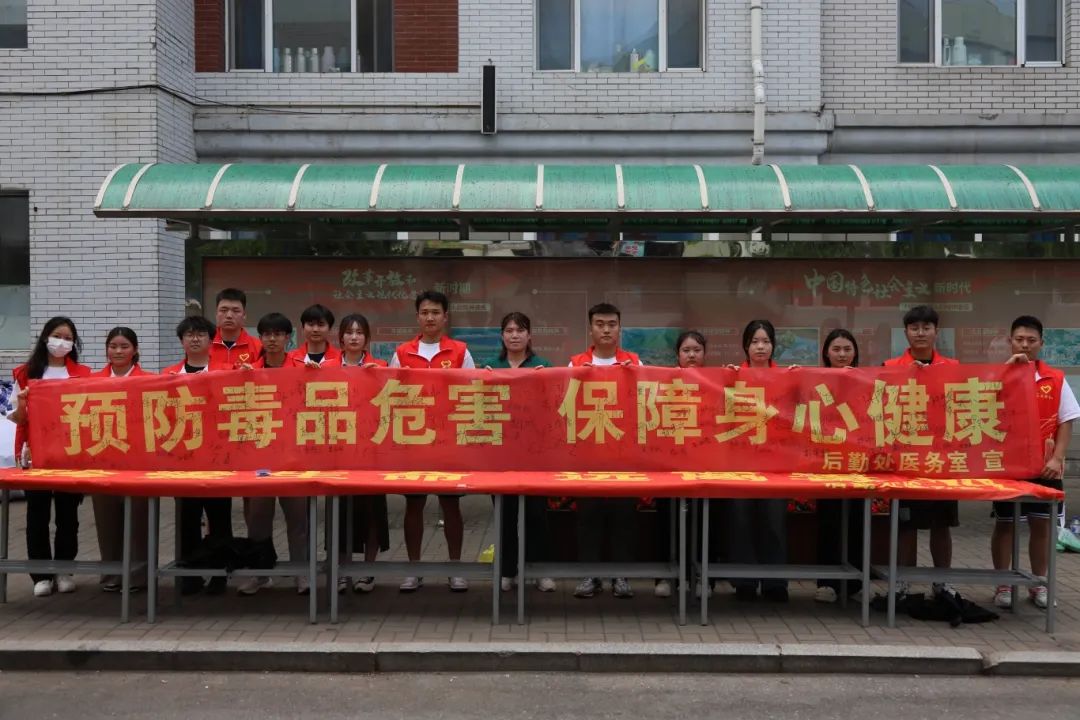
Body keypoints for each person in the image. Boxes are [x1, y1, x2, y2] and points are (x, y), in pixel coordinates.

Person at [390, 290, 475, 592]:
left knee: (450, 505)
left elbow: (472, 391)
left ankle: (456, 568)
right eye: (425, 312)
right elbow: (390, 392)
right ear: (417, 317)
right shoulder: (402, 353)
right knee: (414, 505)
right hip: (414, 441)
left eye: (435, 312)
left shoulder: (461, 352)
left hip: (448, 441)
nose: (430, 318)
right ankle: (414, 569)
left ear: (445, 317)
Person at [990, 316, 1078, 610]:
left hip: (1045, 466)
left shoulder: (1055, 378)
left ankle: (1039, 583)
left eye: (1031, 340)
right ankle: (1003, 584)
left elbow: (1067, 421)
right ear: (1010, 341)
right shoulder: (997, 376)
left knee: (1042, 525)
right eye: (1019, 339)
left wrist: (1058, 457)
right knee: (1005, 524)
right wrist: (1007, 372)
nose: (1025, 345)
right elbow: (982, 407)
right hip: (1007, 466)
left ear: (1041, 343)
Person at [9, 317, 93, 597]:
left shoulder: (82, 374)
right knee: (37, 513)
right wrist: (23, 403)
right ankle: (41, 574)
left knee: (68, 514)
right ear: (45, 337)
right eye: (57, 336)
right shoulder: (26, 373)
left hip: (70, 453)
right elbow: (18, 418)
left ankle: (64, 570)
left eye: (68, 338)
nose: (62, 342)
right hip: (35, 453)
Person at [884, 305, 959, 593]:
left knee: (942, 524)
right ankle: (902, 581)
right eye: (914, 328)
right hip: (905, 460)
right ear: (906, 333)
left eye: (926, 327)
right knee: (906, 525)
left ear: (936, 332)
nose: (920, 333)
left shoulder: (952, 368)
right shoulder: (891, 367)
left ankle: (943, 581)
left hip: (942, 460)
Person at [569, 302, 641, 600]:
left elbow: (643, 402)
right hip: (589, 453)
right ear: (591, 329)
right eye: (600, 324)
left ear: (620, 328)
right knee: (589, 515)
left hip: (624, 454)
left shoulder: (634, 362)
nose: (606, 330)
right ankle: (590, 574)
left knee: (623, 516)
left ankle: (621, 575)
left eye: (612, 324)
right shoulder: (576, 363)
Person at [238, 312, 312, 596]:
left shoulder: (302, 369)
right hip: (260, 458)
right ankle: (260, 574)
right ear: (260, 338)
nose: (272, 339)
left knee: (298, 520)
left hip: (294, 458)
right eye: (266, 334)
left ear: (287, 338)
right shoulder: (248, 371)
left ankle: (301, 573)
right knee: (258, 520)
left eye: (278, 334)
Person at [484, 312, 555, 593]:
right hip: (500, 454)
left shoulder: (543, 365)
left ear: (529, 335)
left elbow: (554, 405)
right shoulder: (491, 366)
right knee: (505, 514)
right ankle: (507, 570)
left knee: (537, 514)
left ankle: (540, 570)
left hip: (535, 453)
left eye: (520, 330)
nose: (514, 335)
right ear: (502, 336)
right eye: (509, 330)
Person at [164, 315, 234, 595]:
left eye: (201, 334)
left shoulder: (226, 372)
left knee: (220, 519)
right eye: (189, 334)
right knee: (187, 519)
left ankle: (220, 574)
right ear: (181, 341)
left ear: (210, 340)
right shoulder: (168, 375)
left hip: (218, 460)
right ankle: (189, 575)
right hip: (184, 460)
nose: (195, 339)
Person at [726, 319, 789, 602]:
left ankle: (776, 583)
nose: (760, 347)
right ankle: (745, 582)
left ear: (773, 346)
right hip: (740, 463)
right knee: (741, 521)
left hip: (776, 465)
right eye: (755, 342)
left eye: (766, 341)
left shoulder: (786, 377)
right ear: (746, 346)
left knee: (774, 522)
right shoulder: (734, 376)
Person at [91, 327, 151, 592]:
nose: (118, 351)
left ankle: (140, 576)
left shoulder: (149, 381)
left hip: (138, 462)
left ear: (135, 350)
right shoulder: (91, 381)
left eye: (124, 346)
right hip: (102, 460)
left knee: (139, 520)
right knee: (106, 520)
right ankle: (111, 575)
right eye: (113, 346)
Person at [334, 313, 390, 594]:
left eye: (359, 332)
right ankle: (342, 571)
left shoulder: (380, 367)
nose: (354, 337)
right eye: (349, 332)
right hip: (338, 453)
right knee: (339, 513)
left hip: (371, 453)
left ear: (367, 339)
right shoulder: (327, 368)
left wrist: (378, 378)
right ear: (341, 338)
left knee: (372, 512)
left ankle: (368, 571)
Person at [814, 329, 864, 603]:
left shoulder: (866, 380)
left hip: (857, 463)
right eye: (836, 349)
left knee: (857, 521)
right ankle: (826, 582)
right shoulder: (817, 381)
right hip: (827, 462)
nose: (842, 354)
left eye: (847, 349)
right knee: (829, 520)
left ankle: (855, 583)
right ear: (826, 353)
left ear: (855, 352)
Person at [210, 288, 262, 370]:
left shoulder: (259, 347)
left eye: (236, 311)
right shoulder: (204, 345)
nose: (229, 316)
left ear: (244, 315)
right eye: (223, 310)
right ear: (216, 314)